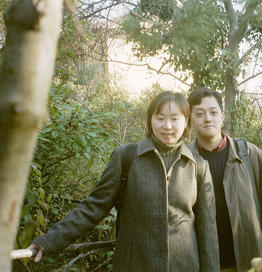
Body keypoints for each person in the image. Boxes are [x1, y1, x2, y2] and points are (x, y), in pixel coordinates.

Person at [27, 91, 220, 272]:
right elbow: (93, 207)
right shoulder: (127, 157)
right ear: (150, 120)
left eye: (175, 119)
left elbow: (208, 233)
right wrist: (50, 241)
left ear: (186, 122)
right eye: (160, 118)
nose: (167, 126)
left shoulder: (198, 166)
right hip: (134, 265)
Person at [187, 87, 262, 272]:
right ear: (190, 120)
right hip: (201, 264)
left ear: (222, 115)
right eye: (200, 114)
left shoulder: (250, 155)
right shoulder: (183, 160)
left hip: (248, 262)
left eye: (213, 112)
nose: (208, 118)